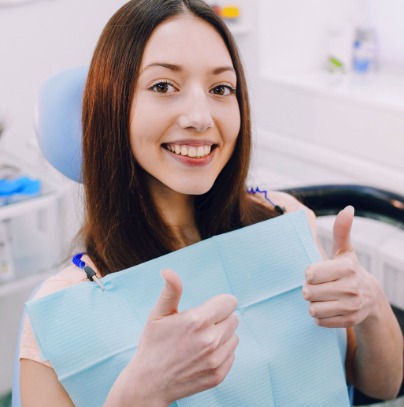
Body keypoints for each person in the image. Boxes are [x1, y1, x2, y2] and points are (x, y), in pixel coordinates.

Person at [19, 0, 403, 406]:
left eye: (221, 89)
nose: (201, 117)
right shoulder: (60, 314)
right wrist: (142, 392)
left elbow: (383, 385)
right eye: (163, 86)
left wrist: (372, 304)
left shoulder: (286, 219)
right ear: (112, 107)